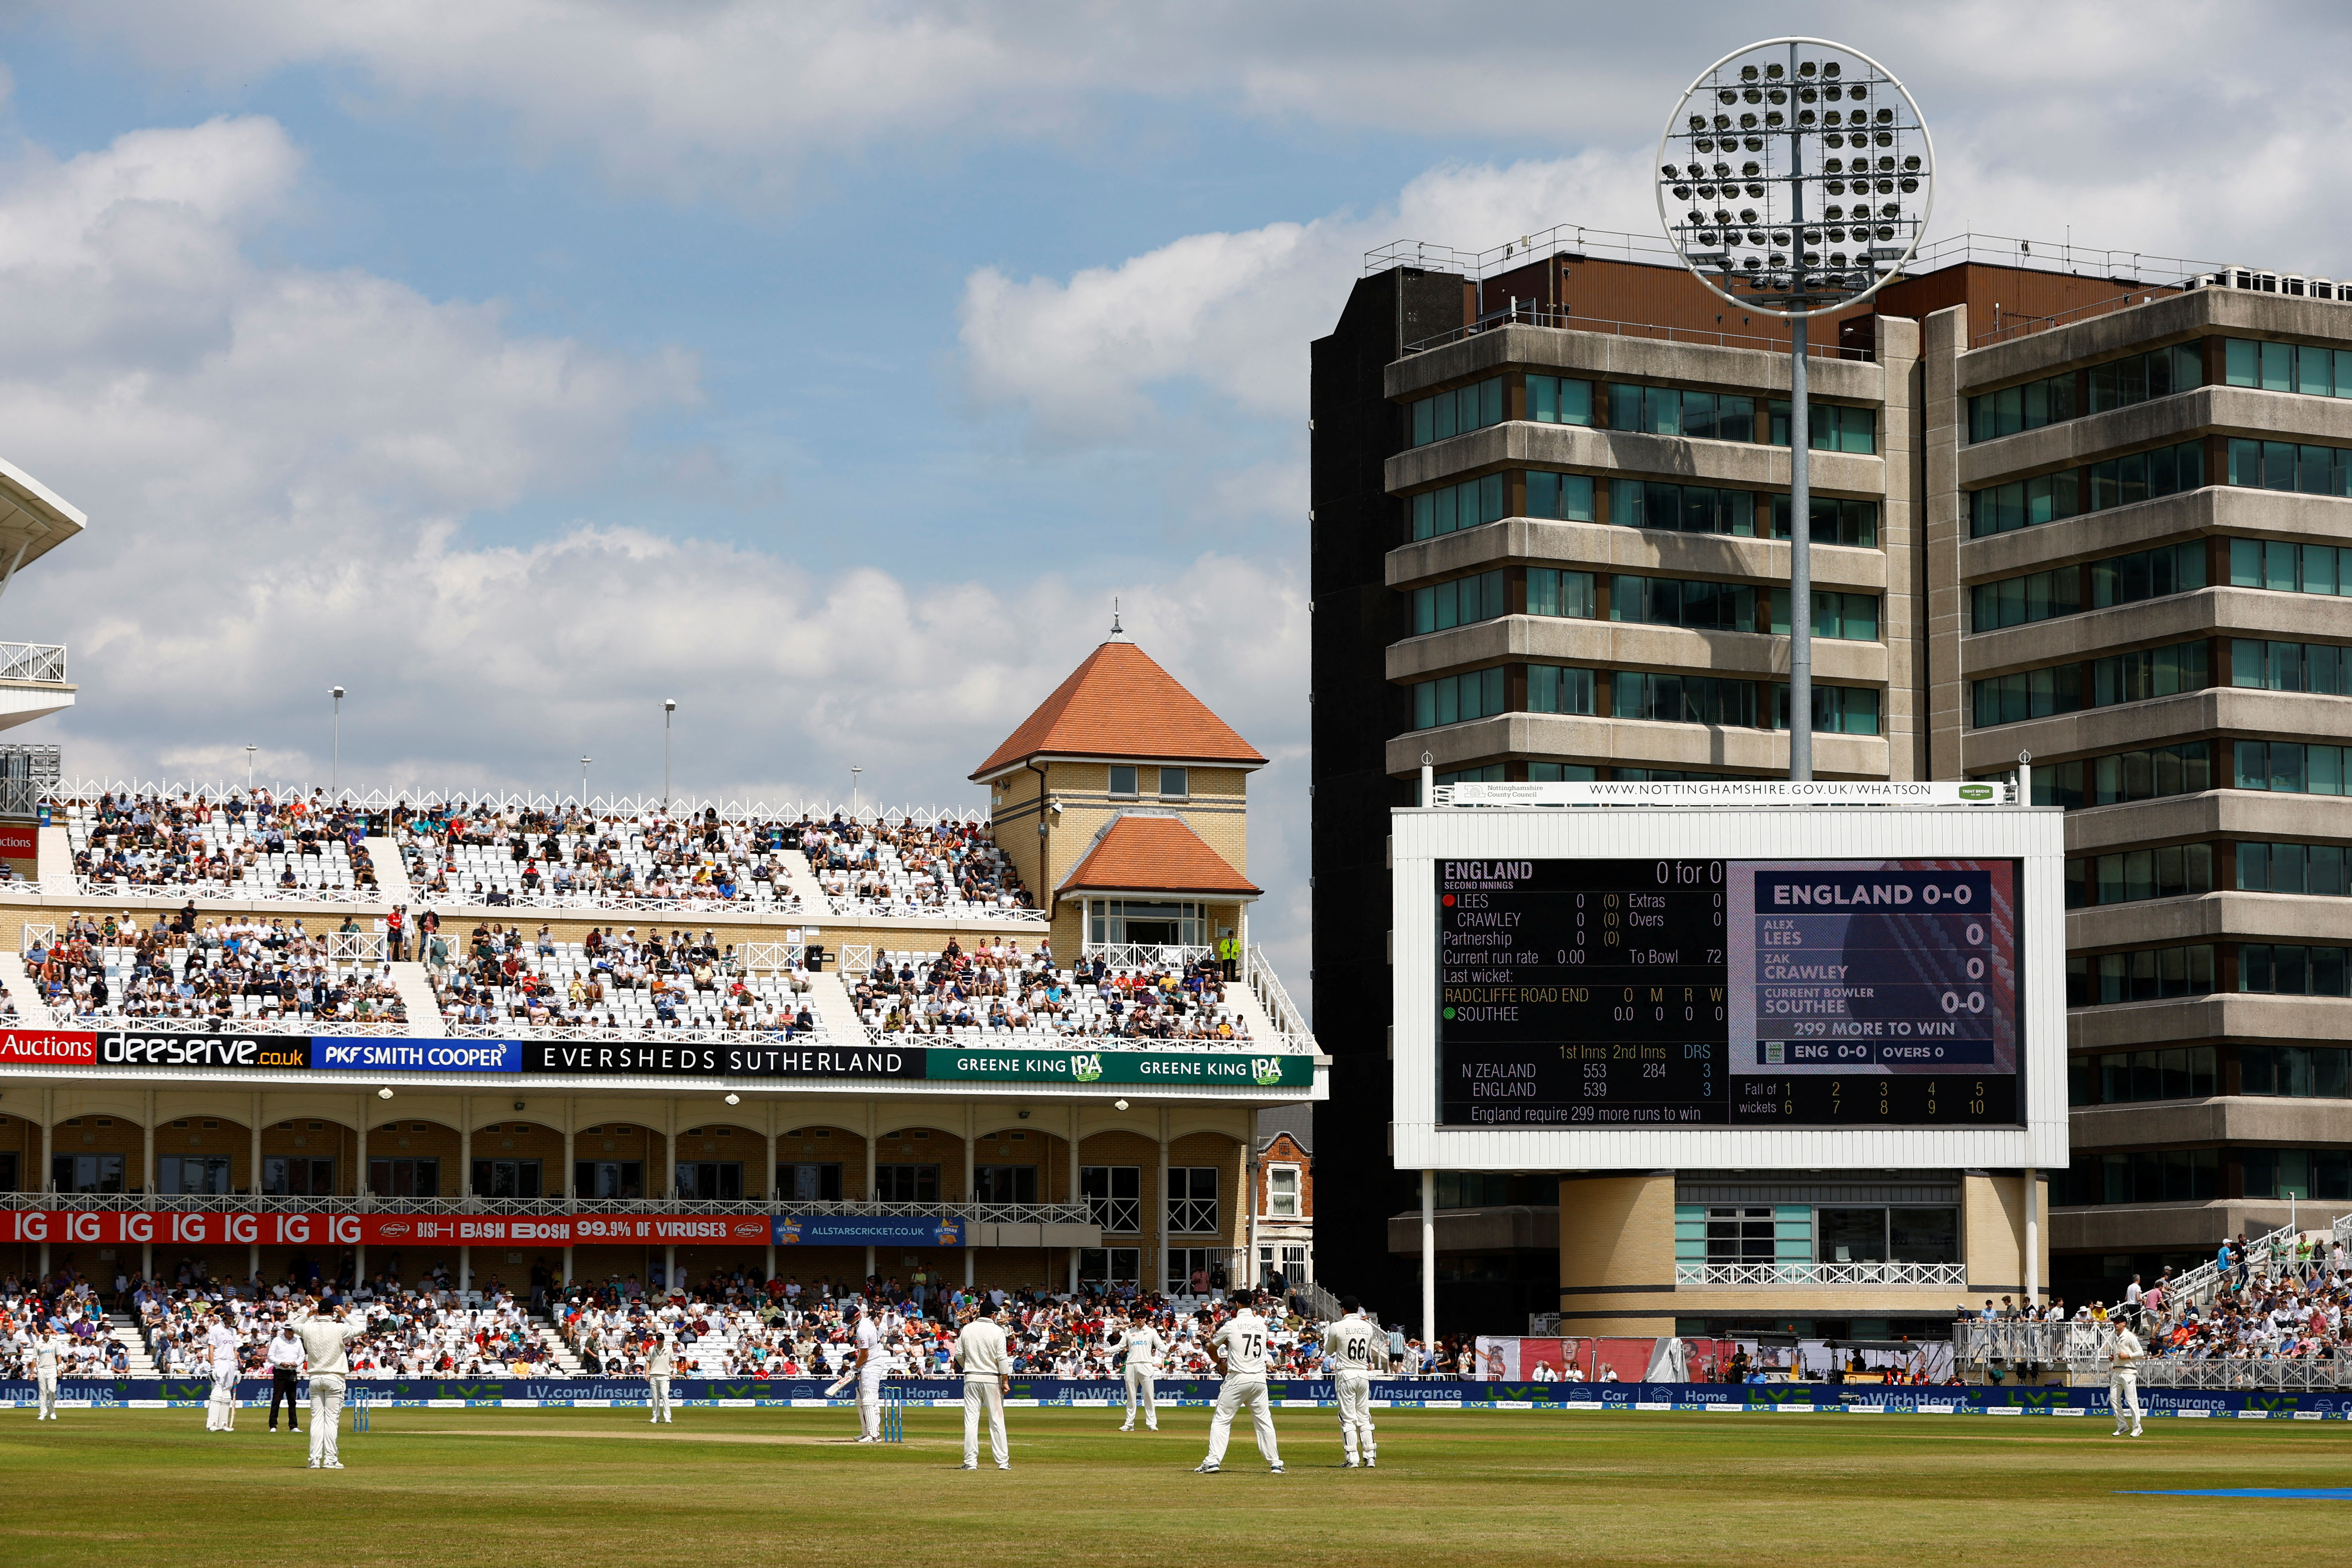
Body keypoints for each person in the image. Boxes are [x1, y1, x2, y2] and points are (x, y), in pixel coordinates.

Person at [1196, 1290, 1283, 1475]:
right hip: (1259, 1379)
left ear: (1236, 1303)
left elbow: (1211, 1348)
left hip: (1238, 1377)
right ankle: (1275, 1463)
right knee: (1264, 1421)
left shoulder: (1231, 1325)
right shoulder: (1262, 1326)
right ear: (1252, 1303)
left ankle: (1212, 1462)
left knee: (1221, 1420)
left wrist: (1220, 1363)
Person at [293, 1297, 363, 1470]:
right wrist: (345, 1314)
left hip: (315, 1378)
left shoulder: (308, 1327)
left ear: (318, 1311)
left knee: (317, 1420)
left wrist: (308, 1314)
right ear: (333, 1312)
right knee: (331, 1420)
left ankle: (314, 1460)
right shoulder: (339, 1327)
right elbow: (361, 1329)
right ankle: (331, 1460)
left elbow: (294, 1326)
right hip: (335, 1377)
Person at [1321, 1295, 1389, 1469]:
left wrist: (1328, 1338)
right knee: (1364, 1416)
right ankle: (1370, 1457)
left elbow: (1329, 1352)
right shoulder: (1368, 1327)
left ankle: (1352, 1459)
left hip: (1346, 1374)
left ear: (1343, 1309)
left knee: (1348, 1418)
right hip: (1363, 1374)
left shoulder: (1337, 1326)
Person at [954, 1302, 1013, 1471]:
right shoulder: (998, 1331)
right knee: (997, 1421)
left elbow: (958, 1354)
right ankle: (1003, 1462)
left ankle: (971, 1463)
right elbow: (1002, 1358)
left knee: (971, 1421)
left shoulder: (968, 1329)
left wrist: (969, 1367)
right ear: (994, 1315)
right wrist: (1006, 1381)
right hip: (992, 1380)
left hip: (971, 1379)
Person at [1110, 1310, 1165, 1432]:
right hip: (1131, 1365)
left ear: (1146, 1319)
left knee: (1149, 1396)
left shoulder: (1151, 1332)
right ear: (1134, 1320)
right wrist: (1106, 1351)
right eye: (1137, 1318)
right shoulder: (1129, 1332)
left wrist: (1170, 1350)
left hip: (1146, 1365)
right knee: (1131, 1397)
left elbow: (1161, 1346)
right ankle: (1129, 1424)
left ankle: (1152, 1424)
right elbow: (1120, 1347)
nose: (1140, 1320)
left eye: (1142, 1318)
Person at [2109, 1311, 2145, 1439]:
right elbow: (2118, 1354)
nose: (2115, 1324)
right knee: (2113, 1400)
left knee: (2131, 1401)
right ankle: (2122, 1426)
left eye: (2118, 1322)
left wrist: (2127, 1356)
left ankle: (2137, 1427)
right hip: (2117, 1372)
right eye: (2114, 1322)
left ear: (2124, 1323)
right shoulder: (2115, 1337)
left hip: (2129, 1372)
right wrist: (2113, 1358)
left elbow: (2140, 1353)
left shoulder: (2130, 1336)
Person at [204, 1308, 240, 1432]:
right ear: (224, 1316)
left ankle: (223, 1424)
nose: (232, 1318)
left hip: (230, 1363)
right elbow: (211, 1349)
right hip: (219, 1363)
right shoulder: (216, 1329)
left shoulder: (232, 1331)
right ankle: (212, 1424)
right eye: (230, 1316)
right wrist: (213, 1367)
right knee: (217, 1392)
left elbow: (235, 1350)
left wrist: (236, 1368)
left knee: (226, 1394)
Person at [267, 1325, 303, 1433]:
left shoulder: (297, 1341)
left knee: (292, 1400)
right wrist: (281, 1363)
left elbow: (302, 1356)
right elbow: (271, 1356)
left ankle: (293, 1426)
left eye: (292, 1330)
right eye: (289, 1330)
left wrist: (296, 1363)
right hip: (280, 1372)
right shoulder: (278, 1340)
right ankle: (273, 1425)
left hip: (292, 1372)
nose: (291, 1332)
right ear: (285, 1330)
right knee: (277, 1399)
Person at [646, 1331, 676, 1424]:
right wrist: (647, 1374)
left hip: (665, 1376)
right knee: (655, 1397)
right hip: (654, 1376)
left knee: (665, 1396)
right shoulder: (651, 1349)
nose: (660, 1341)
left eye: (661, 1340)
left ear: (664, 1340)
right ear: (656, 1340)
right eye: (658, 1340)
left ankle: (667, 1417)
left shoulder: (669, 1349)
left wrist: (674, 1372)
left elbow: (674, 1362)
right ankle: (656, 1417)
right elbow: (648, 1362)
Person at [32, 1327, 60, 1420]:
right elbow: (35, 1359)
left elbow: (58, 1355)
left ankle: (52, 1412)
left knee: (52, 1391)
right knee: (43, 1392)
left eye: (49, 1333)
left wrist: (59, 1368)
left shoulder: (54, 1342)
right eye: (46, 1333)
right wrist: (32, 1373)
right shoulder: (38, 1344)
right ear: (42, 1333)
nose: (48, 1335)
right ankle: (43, 1414)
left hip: (52, 1369)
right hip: (42, 1369)